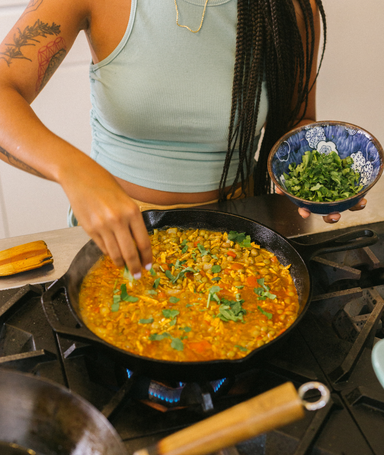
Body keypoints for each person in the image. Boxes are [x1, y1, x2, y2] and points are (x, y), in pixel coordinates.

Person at [0, 0, 366, 279]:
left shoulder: (289, 6)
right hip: (117, 243)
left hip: (241, 237)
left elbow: (296, 121)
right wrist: (75, 172)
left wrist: (311, 176)